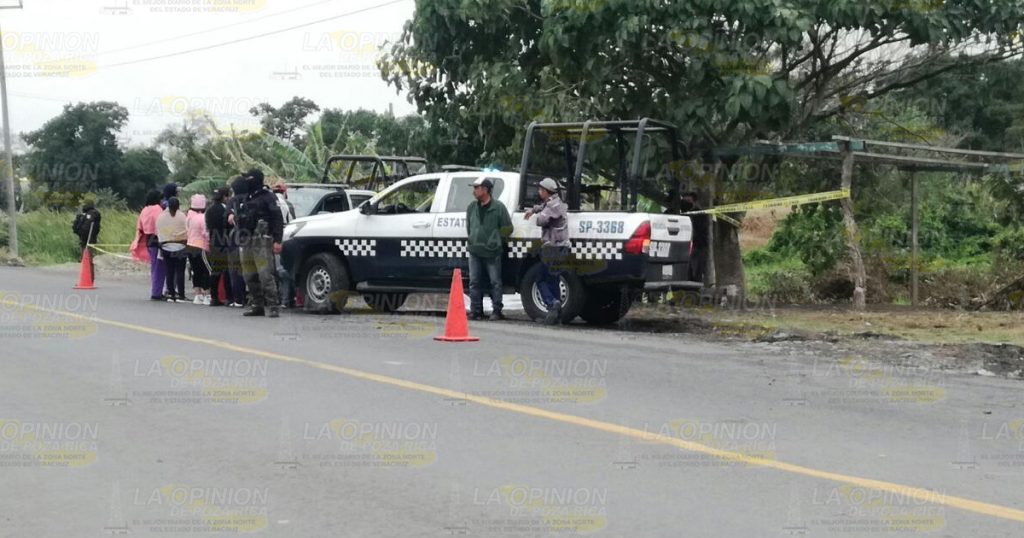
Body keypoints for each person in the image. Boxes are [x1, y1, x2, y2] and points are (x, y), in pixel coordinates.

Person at [236, 169, 284, 318]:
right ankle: (257, 305)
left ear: (255, 180)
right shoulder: (246, 197)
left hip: (262, 240)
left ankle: (273, 305)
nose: (246, 182)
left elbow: (277, 218)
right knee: (249, 275)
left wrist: (278, 240)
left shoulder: (268, 197)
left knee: (265, 275)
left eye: (248, 179)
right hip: (246, 239)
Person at [465, 177, 512, 321]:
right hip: (475, 251)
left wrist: (496, 241)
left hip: (493, 252)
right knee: (474, 282)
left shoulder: (499, 207)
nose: (473, 191)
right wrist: (473, 239)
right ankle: (475, 310)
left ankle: (497, 310)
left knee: (495, 282)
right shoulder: (471, 207)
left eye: (476, 188)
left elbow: (508, 228)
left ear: (485, 189)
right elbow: (469, 227)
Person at [525, 177, 570, 325]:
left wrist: (535, 214)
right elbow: (543, 206)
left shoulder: (553, 206)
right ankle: (556, 316)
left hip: (553, 247)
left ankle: (552, 303)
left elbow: (541, 220)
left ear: (546, 191)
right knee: (553, 280)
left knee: (540, 279)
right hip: (561, 248)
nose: (539, 192)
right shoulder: (556, 202)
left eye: (540, 189)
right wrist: (534, 209)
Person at [156, 197, 188, 302]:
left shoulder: (161, 217)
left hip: (166, 246)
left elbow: (158, 232)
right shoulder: (182, 216)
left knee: (169, 271)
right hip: (180, 246)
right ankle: (181, 294)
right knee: (180, 271)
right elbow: (187, 230)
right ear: (178, 206)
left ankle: (171, 293)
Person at [135, 190, 166, 300]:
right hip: (158, 240)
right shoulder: (158, 209)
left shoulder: (144, 210)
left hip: (148, 240)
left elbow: (140, 226)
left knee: (154, 267)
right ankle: (157, 292)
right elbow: (161, 224)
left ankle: (156, 290)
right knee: (159, 268)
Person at [205, 187, 233, 307]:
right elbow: (228, 226)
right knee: (226, 270)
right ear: (224, 197)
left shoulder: (209, 210)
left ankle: (214, 297)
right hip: (224, 242)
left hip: (213, 242)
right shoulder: (225, 210)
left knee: (215, 271)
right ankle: (229, 297)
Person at [271, 183, 296, 308]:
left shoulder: (270, 202)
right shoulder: (288, 204)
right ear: (284, 193)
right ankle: (287, 300)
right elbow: (293, 221)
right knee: (284, 270)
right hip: (285, 237)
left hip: (270, 237)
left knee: (274, 270)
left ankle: (278, 298)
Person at [225, 176, 249, 307]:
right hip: (250, 237)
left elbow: (226, 219)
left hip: (235, 238)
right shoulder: (251, 199)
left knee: (235, 269)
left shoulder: (232, 201)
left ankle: (239, 298)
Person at [186, 194, 211, 305]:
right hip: (201, 247)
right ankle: (207, 295)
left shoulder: (189, 217)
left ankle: (198, 295)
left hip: (190, 245)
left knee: (196, 271)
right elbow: (206, 233)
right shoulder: (202, 217)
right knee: (206, 271)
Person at [679, 191, 709, 283]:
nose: (686, 203)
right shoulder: (683, 214)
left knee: (697, 271)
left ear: (694, 201)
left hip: (698, 246)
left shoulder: (700, 214)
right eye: (685, 201)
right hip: (686, 246)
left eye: (688, 201)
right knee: (687, 272)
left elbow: (700, 231)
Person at [71, 195, 101, 280]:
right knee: (85, 260)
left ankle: (88, 279)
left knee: (88, 260)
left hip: (89, 240)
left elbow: (88, 227)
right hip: (85, 239)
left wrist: (80, 231)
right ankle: (86, 278)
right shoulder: (85, 215)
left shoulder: (93, 214)